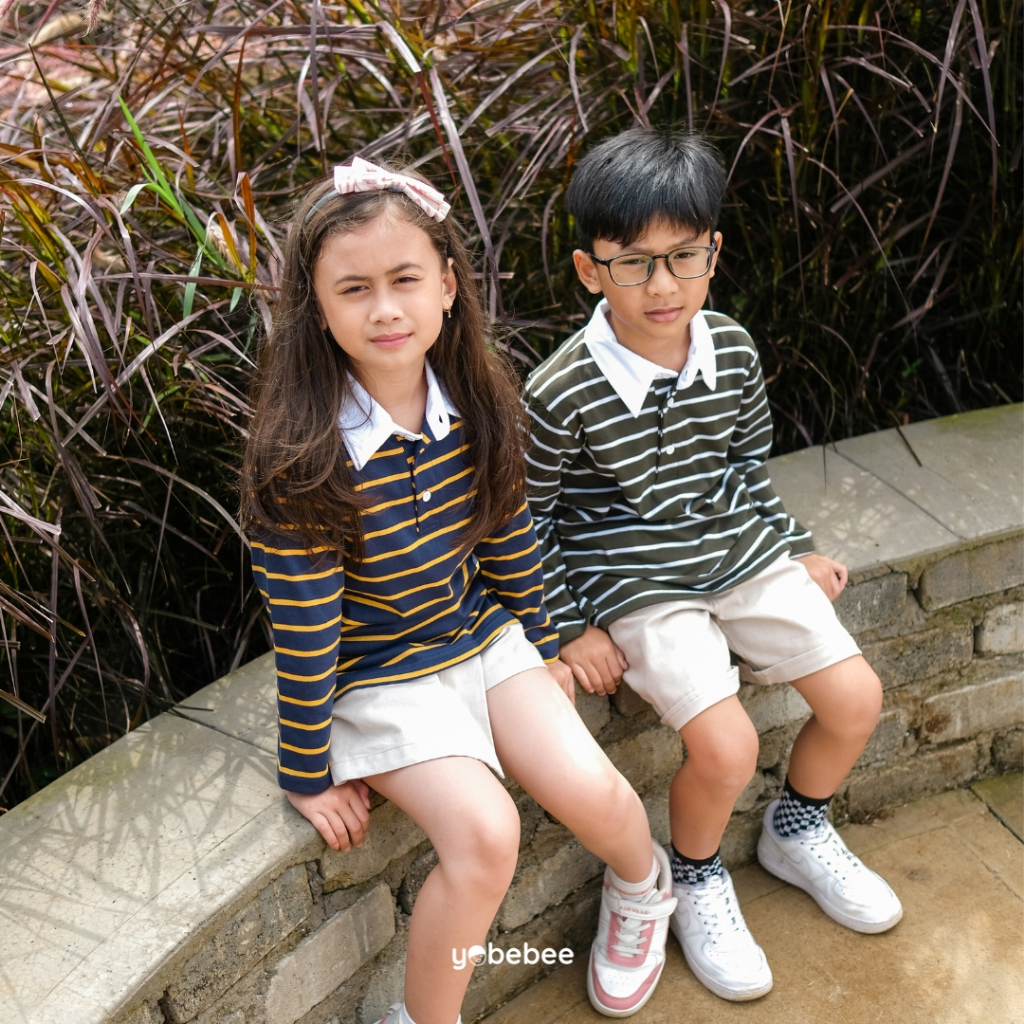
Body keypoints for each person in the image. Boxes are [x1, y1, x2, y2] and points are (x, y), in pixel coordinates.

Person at [241, 157, 677, 1024]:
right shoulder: (303, 457)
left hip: (479, 637)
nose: (385, 309)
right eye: (354, 288)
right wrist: (307, 770)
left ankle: (644, 890)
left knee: (594, 791)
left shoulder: (478, 404)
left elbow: (508, 535)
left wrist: (544, 646)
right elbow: (305, 625)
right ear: (316, 307)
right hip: (377, 677)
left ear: (446, 285)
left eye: (405, 279)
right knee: (486, 835)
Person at [523, 129, 903, 1003]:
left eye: (683, 256)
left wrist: (794, 545)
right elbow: (529, 517)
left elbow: (743, 467)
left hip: (737, 550)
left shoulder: (730, 348)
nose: (662, 285)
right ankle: (694, 876)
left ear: (713, 253)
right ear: (590, 270)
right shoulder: (559, 390)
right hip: (635, 579)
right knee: (727, 746)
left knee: (857, 698)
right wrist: (566, 627)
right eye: (633, 263)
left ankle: (797, 829)